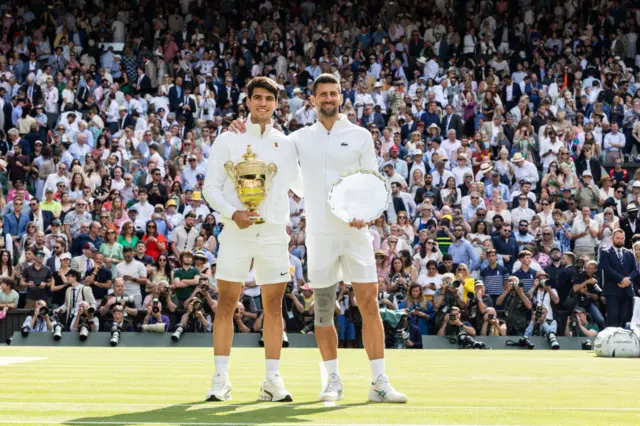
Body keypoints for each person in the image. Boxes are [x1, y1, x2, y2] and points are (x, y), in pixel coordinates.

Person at [231, 73, 406, 403]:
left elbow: (372, 181)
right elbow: (264, 142)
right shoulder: (297, 139)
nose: (328, 98)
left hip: (356, 235)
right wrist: (241, 128)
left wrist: (366, 213)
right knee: (323, 310)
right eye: (322, 94)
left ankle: (379, 382)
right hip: (319, 236)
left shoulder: (360, 136)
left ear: (341, 97)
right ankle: (333, 380)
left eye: (333, 93)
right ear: (312, 100)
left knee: (369, 303)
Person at [202, 77, 302, 402]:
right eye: (257, 98)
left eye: (268, 99)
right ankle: (220, 379)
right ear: (247, 101)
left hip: (273, 233)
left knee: (274, 307)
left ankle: (272, 380)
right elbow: (210, 189)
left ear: (276, 103)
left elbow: (304, 186)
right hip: (236, 230)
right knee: (227, 304)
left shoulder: (287, 145)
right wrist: (233, 213)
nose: (262, 104)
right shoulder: (227, 139)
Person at [599, 229, 637, 327]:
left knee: (626, 319)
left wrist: (627, 280)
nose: (620, 240)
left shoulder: (629, 253)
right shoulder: (605, 252)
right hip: (612, 291)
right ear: (612, 239)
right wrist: (621, 280)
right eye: (618, 238)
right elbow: (606, 269)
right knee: (613, 318)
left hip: (627, 291)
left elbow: (635, 270)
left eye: (622, 238)